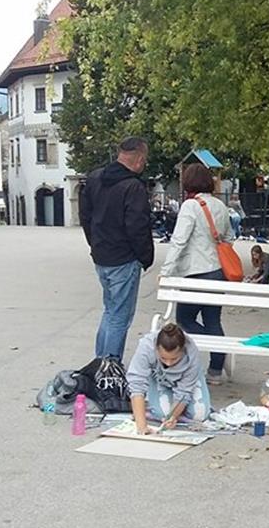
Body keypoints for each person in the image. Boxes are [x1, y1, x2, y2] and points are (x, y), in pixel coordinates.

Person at [79, 137, 154, 362]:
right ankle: (109, 367)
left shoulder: (95, 178)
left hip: (102, 254)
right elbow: (137, 226)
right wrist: (145, 257)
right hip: (124, 258)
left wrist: (94, 243)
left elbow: (85, 216)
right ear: (139, 159)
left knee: (110, 311)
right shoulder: (133, 187)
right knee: (120, 317)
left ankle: (100, 362)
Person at [160, 163, 233, 384]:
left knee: (184, 320)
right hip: (217, 271)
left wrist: (166, 271)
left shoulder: (190, 206)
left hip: (195, 272)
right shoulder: (220, 206)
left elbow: (179, 240)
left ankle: (215, 351)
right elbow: (229, 238)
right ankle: (216, 369)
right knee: (213, 321)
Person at [127, 323, 211, 434]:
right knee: (162, 413)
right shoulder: (146, 347)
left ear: (182, 350)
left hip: (186, 382)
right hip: (158, 377)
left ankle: (170, 408)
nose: (168, 363)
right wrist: (141, 426)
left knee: (200, 414)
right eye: (163, 358)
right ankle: (153, 404)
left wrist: (173, 416)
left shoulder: (191, 353)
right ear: (156, 349)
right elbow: (137, 384)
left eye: (174, 359)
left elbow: (184, 391)